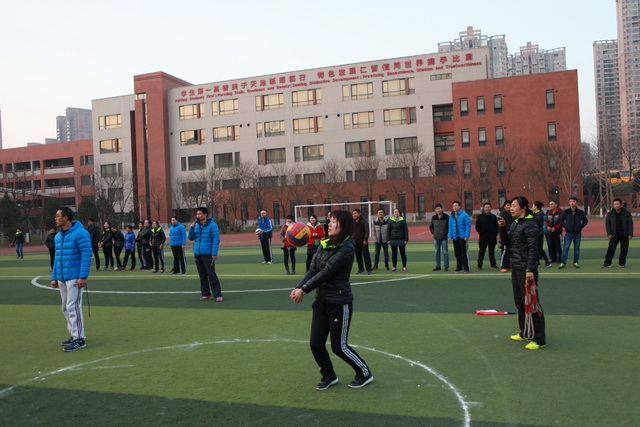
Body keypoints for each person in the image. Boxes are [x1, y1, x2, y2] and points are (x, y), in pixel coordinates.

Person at [290, 210, 373, 390]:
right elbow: (313, 270)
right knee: (316, 343)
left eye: (334, 221)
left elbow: (326, 272)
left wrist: (304, 290)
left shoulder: (347, 248)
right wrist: (299, 287)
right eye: (329, 221)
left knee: (339, 347)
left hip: (339, 302)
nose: (329, 225)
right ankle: (329, 375)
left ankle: (364, 372)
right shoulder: (324, 243)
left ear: (344, 225)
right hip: (322, 301)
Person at [498, 196, 546, 350]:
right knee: (520, 302)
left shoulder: (530, 224)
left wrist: (530, 269)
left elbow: (533, 248)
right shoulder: (515, 223)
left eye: (514, 206)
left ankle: (539, 339)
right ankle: (525, 332)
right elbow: (507, 243)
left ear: (523, 207)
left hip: (526, 270)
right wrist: (502, 228)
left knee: (532, 304)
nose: (511, 208)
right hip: (516, 267)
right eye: (510, 206)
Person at [50, 207, 92, 352]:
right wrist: (54, 277)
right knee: (65, 307)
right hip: (62, 276)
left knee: (73, 306)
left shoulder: (81, 233)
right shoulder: (58, 236)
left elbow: (86, 255)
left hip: (74, 276)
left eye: (58, 216)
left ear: (66, 217)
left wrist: (82, 276)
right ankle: (73, 335)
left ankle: (79, 338)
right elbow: (57, 258)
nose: (55, 218)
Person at [188, 207, 223, 301]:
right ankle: (206, 294)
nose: (198, 216)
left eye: (200, 214)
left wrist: (214, 253)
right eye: (197, 214)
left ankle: (218, 294)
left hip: (207, 253)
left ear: (205, 214)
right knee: (202, 275)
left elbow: (216, 239)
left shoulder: (212, 225)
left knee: (211, 274)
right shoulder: (196, 225)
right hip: (198, 252)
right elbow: (191, 238)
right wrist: (191, 229)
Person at [602, 198, 634, 268]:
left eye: (617, 204)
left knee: (624, 249)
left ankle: (622, 263)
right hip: (614, 235)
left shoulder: (627, 213)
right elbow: (607, 224)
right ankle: (607, 263)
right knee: (611, 249)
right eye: (614, 204)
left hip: (624, 234)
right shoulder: (610, 213)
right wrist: (609, 233)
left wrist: (630, 233)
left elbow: (630, 224)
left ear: (621, 204)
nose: (616, 206)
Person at [559, 196, 589, 269]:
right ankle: (563, 262)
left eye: (573, 201)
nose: (572, 203)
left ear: (576, 203)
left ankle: (576, 262)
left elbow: (585, 221)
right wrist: (566, 226)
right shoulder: (566, 212)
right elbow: (560, 220)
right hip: (568, 233)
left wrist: (580, 226)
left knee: (576, 248)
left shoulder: (580, 212)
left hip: (577, 233)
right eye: (570, 201)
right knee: (566, 248)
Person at [475, 202, 498, 271]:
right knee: (481, 252)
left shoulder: (494, 217)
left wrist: (495, 234)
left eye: (489, 207)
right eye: (486, 207)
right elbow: (477, 227)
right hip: (483, 237)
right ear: (484, 208)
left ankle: (493, 264)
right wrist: (482, 233)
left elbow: (496, 227)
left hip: (492, 237)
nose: (487, 208)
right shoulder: (480, 217)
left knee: (492, 252)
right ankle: (479, 265)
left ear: (491, 208)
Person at [448, 201, 471, 273]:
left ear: (459, 206)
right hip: (455, 237)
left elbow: (468, 226)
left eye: (456, 206)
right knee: (457, 253)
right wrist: (450, 236)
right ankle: (459, 267)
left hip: (462, 237)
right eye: (453, 206)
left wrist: (466, 236)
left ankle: (466, 268)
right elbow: (450, 227)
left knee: (464, 253)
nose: (455, 207)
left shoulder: (465, 215)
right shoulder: (451, 216)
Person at [429, 204, 449, 271]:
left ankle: (446, 266)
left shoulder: (446, 217)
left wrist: (445, 233)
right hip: (436, 238)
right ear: (435, 210)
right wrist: (433, 232)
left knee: (445, 252)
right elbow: (431, 226)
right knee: (437, 252)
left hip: (444, 238)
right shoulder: (434, 217)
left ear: (442, 209)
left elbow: (449, 226)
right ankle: (438, 266)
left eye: (439, 208)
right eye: (437, 209)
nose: (438, 210)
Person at [352, 209, 372, 275]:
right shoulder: (352, 222)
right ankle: (361, 269)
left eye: (355, 213)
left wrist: (365, 240)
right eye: (353, 214)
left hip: (363, 242)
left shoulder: (364, 221)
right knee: (358, 256)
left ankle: (368, 269)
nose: (354, 215)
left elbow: (367, 231)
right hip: (355, 242)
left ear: (359, 214)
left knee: (366, 256)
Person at [532, 201, 551, 268]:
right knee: (535, 248)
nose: (532, 207)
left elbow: (536, 222)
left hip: (539, 233)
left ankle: (547, 261)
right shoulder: (534, 213)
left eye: (533, 205)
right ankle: (537, 262)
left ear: (536, 206)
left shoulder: (540, 214)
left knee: (539, 248)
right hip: (535, 233)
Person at [545, 200, 563, 265]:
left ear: (556, 204)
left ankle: (561, 259)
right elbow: (546, 221)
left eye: (552, 204)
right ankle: (554, 259)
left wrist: (555, 228)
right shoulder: (549, 212)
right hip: (550, 232)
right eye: (550, 204)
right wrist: (547, 227)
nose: (551, 205)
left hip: (557, 233)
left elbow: (561, 222)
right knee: (552, 246)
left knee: (559, 247)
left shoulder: (560, 212)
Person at [499, 200, 514, 272]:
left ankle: (510, 265)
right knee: (505, 250)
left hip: (512, 234)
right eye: (507, 205)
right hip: (504, 234)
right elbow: (500, 225)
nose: (509, 206)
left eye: (510, 205)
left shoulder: (512, 214)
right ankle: (503, 266)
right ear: (504, 206)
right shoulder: (502, 214)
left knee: (512, 250)